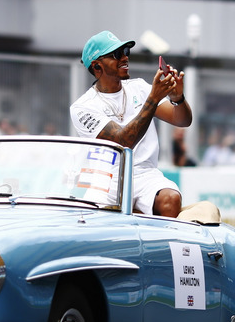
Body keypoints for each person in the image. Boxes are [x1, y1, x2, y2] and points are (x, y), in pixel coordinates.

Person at [70, 30, 192, 216]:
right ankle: (139, 214)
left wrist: (177, 97)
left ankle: (139, 217)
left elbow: (182, 120)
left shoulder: (139, 88)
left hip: (145, 174)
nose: (125, 58)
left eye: (126, 52)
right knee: (97, 217)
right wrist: (153, 99)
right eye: (117, 54)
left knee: (171, 200)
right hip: (105, 178)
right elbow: (123, 142)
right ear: (97, 67)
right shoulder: (82, 108)